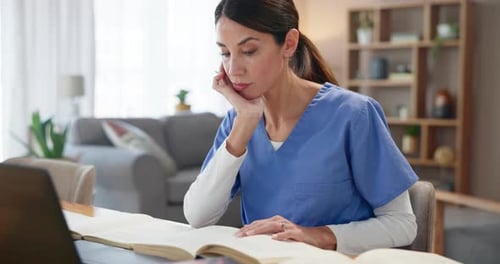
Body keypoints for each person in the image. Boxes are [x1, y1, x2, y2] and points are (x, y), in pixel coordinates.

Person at [184, 0, 418, 256]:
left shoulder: (353, 115)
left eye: (249, 51)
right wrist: (245, 123)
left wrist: (318, 235)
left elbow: (402, 224)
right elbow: (198, 216)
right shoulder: (237, 122)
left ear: (289, 43)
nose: (234, 70)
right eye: (225, 53)